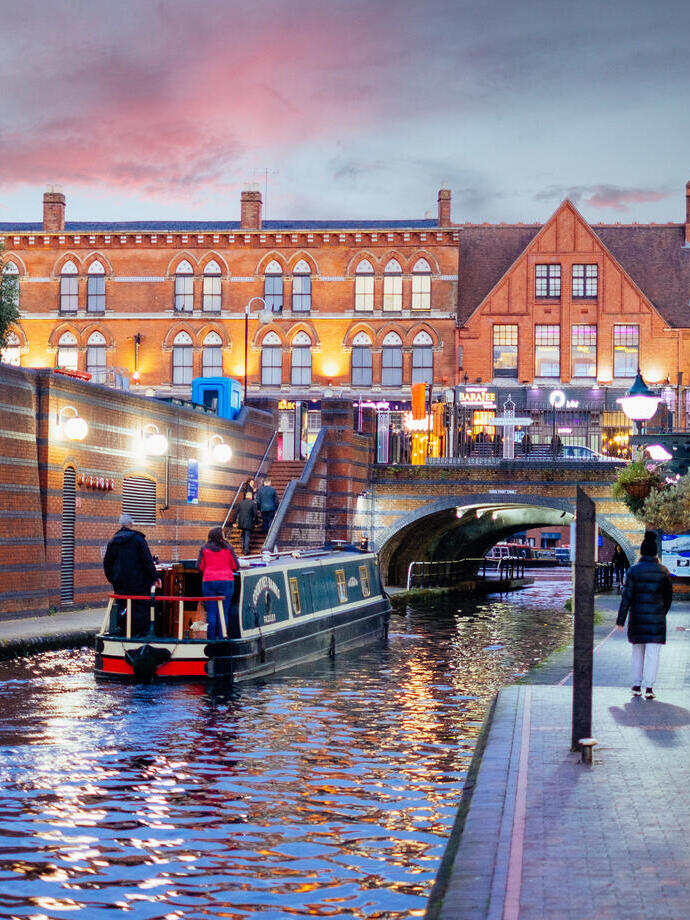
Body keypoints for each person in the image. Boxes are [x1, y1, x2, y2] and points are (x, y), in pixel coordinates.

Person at [616, 531, 673, 700]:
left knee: (637, 652)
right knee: (652, 655)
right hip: (656, 620)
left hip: (637, 619)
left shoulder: (633, 571)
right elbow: (668, 598)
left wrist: (621, 620)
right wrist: (661, 613)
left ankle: (636, 685)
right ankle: (649, 688)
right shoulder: (663, 571)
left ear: (641, 552)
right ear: (656, 553)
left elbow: (627, 597)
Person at [103, 513, 161, 635]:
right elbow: (147, 561)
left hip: (120, 583)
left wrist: (113, 578)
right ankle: (138, 634)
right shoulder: (138, 540)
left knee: (122, 606)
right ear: (131, 524)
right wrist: (155, 577)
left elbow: (107, 563)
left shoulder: (113, 541)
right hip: (138, 583)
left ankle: (123, 631)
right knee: (139, 606)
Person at [197, 527, 239, 639]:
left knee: (211, 612)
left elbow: (200, 567)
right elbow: (235, 566)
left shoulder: (204, 548)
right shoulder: (228, 548)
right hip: (226, 581)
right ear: (221, 536)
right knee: (224, 612)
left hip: (209, 582)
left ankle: (211, 639)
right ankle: (223, 637)